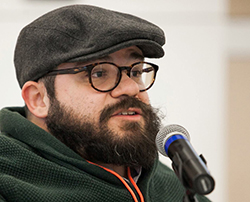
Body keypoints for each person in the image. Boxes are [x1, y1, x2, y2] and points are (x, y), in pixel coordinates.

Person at [0, 4, 211, 202]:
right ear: (38, 99)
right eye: (99, 73)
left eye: (136, 72)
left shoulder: (176, 186)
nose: (131, 88)